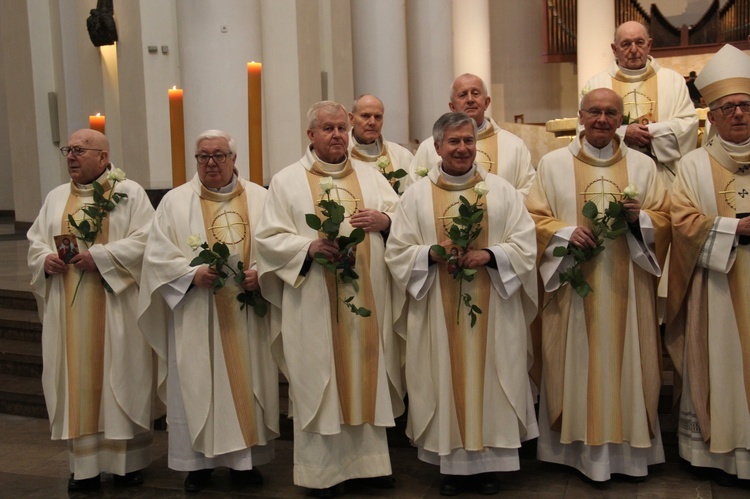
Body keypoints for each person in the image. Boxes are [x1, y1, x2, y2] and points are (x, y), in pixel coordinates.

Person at [386, 112, 539, 496]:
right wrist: (429, 255)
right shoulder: (416, 195)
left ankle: (489, 466)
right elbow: (397, 251)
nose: (462, 148)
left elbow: (526, 245)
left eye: (468, 141)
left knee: (494, 375)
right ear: (436, 147)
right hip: (437, 307)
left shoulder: (502, 191)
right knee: (441, 378)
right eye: (453, 142)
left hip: (495, 308)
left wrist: (490, 255)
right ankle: (451, 467)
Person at [256, 101, 403, 497]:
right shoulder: (286, 181)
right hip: (313, 306)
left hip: (366, 304)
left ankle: (371, 466)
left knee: (365, 374)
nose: (337, 135)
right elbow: (267, 240)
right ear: (311, 135)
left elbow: (404, 220)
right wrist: (307, 249)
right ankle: (321, 473)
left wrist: (386, 221)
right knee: (318, 383)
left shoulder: (372, 176)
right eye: (328, 128)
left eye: (341, 127)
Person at [526, 88, 671, 482]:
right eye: (595, 112)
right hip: (573, 288)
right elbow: (534, 219)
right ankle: (574, 454)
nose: (602, 120)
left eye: (611, 113)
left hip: (629, 285)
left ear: (622, 120)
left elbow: (665, 219)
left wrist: (641, 219)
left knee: (630, 361)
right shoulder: (553, 165)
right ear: (580, 115)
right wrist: (564, 233)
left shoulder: (643, 166)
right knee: (574, 361)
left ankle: (628, 455)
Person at [137, 130, 279, 493]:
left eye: (219, 155)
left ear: (235, 159)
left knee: (247, 384)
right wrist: (189, 274)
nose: (211, 162)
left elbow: (278, 246)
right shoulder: (174, 202)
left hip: (246, 315)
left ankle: (244, 465)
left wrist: (260, 274)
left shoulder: (262, 199)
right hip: (196, 312)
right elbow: (155, 257)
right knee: (195, 385)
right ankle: (195, 465)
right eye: (203, 157)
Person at [27, 129, 155, 491]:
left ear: (103, 157)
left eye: (80, 150)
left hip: (116, 307)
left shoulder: (130, 194)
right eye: (68, 150)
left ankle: (126, 464)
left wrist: (101, 257)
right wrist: (45, 261)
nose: (70, 156)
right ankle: (83, 468)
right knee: (77, 382)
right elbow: (35, 241)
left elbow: (147, 240)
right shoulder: (55, 197)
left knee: (120, 380)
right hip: (69, 309)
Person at [666, 44, 750, 484]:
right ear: (711, 117)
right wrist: (733, 230)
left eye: (744, 105)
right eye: (728, 107)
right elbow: (681, 221)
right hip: (715, 287)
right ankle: (716, 454)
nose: (738, 113)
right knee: (720, 359)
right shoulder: (693, 164)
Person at [582, 21, 698, 187]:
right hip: (613, 173)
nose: (634, 49)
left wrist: (649, 132)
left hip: (663, 176)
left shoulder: (673, 80)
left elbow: (688, 125)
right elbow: (583, 129)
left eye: (639, 42)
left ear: (649, 45)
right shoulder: (597, 84)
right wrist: (624, 132)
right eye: (626, 44)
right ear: (614, 50)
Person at [408, 73, 536, 197]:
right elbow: (413, 192)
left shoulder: (514, 146)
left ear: (486, 102)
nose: (470, 100)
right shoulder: (429, 147)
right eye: (462, 95)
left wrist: (497, 206)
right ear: (452, 107)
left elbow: (529, 191)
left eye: (475, 93)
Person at [348, 94, 415, 194]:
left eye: (378, 117)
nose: (372, 122)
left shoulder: (402, 156)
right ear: (352, 119)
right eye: (365, 116)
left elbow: (412, 196)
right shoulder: (340, 155)